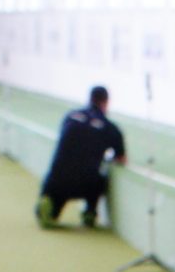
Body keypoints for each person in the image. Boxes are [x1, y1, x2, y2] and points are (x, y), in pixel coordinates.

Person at [36, 85, 126, 227]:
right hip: (86, 184)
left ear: (89, 99)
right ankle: (90, 212)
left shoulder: (70, 117)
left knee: (55, 182)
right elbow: (121, 159)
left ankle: (48, 206)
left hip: (56, 182)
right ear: (106, 102)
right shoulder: (110, 128)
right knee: (100, 178)